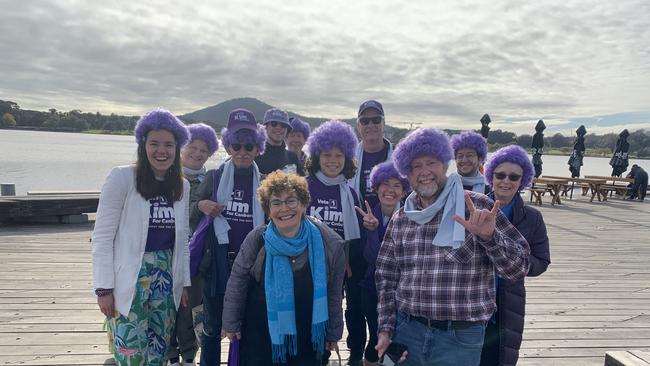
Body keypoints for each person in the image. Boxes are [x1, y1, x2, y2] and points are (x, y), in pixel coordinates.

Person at [375, 128, 531, 366]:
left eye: (432, 163)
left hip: (461, 338)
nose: (424, 172)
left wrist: (490, 238)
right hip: (408, 332)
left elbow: (518, 268)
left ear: (445, 163)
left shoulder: (478, 206)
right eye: (416, 166)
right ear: (407, 171)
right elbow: (386, 277)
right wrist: (386, 328)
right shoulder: (402, 217)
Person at [92, 108, 191, 365]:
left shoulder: (182, 185)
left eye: (169, 145)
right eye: (154, 143)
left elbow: (183, 242)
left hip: (166, 276)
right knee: (131, 354)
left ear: (177, 148)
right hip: (130, 276)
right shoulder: (123, 178)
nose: (162, 151)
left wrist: (183, 282)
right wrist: (104, 288)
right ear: (143, 145)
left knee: (159, 351)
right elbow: (102, 237)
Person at [222, 171, 346, 365]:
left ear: (304, 204)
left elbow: (334, 292)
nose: (284, 208)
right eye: (276, 203)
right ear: (268, 209)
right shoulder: (257, 239)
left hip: (308, 335)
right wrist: (231, 323)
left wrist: (333, 331)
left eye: (291, 201)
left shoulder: (329, 243)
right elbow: (237, 281)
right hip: (260, 334)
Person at [189, 108, 267, 366]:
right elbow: (190, 216)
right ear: (228, 146)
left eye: (249, 145)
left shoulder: (265, 184)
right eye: (236, 144)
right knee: (212, 329)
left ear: (258, 148)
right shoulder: (214, 178)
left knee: (247, 327)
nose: (242, 151)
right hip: (218, 265)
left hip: (252, 266)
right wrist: (200, 207)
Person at [480, 145, 551, 366]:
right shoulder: (473, 208)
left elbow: (542, 260)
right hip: (472, 299)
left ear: (523, 180)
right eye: (500, 175)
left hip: (509, 298)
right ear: (491, 177)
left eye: (514, 176)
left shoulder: (532, 217)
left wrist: (516, 263)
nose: (506, 181)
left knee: (499, 357)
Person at [305, 120, 364, 365]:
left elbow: (351, 234)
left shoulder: (349, 192)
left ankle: (323, 356)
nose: (332, 160)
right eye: (327, 154)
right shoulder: (305, 186)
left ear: (347, 158)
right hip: (305, 265)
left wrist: (348, 262)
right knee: (306, 314)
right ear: (317, 156)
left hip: (336, 268)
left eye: (339, 155)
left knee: (330, 314)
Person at [167, 123, 219, 366]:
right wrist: (197, 206)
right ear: (181, 146)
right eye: (193, 147)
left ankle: (189, 355)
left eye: (204, 151)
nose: (198, 153)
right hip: (166, 252)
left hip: (197, 255)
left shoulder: (212, 179)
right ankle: (169, 354)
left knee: (191, 305)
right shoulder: (166, 176)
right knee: (167, 305)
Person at [354, 160, 409, 366]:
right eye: (385, 183)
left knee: (399, 342)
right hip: (372, 288)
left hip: (404, 291)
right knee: (377, 338)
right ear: (376, 187)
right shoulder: (367, 217)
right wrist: (372, 231)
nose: (390, 190)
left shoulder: (412, 216)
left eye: (397, 185)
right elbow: (372, 258)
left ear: (404, 191)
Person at [349, 100, 394, 209]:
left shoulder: (399, 158)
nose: (370, 125)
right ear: (358, 125)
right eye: (365, 121)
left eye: (376, 120)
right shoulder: (347, 159)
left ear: (384, 123)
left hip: (391, 222)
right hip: (355, 221)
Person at [255, 108, 305, 176]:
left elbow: (304, 183)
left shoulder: (293, 157)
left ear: (287, 130)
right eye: (274, 124)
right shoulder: (255, 155)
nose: (278, 128)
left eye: (283, 125)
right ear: (265, 127)